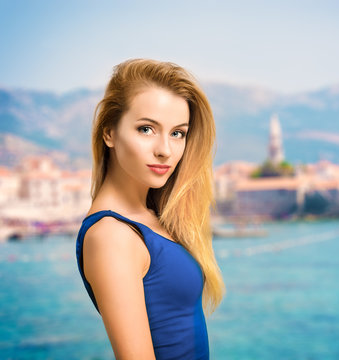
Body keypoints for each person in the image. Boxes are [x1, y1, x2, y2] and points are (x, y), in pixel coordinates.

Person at [75, 59, 225, 360]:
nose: (165, 150)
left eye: (177, 133)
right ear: (109, 133)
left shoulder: (152, 219)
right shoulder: (111, 236)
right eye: (146, 129)